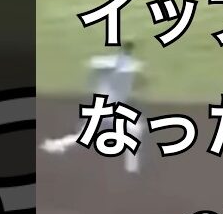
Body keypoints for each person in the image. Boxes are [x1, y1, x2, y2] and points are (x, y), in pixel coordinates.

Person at [39, 41, 146, 174]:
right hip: (106, 107)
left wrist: (99, 72)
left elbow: (95, 65)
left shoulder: (118, 64)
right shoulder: (121, 64)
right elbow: (99, 65)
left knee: (86, 136)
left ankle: (56, 145)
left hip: (106, 107)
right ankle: (132, 167)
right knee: (134, 129)